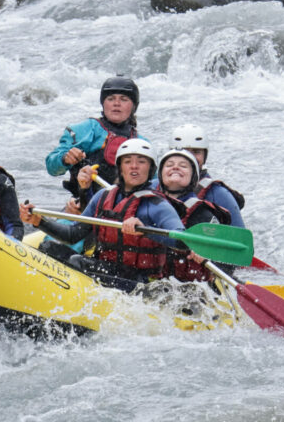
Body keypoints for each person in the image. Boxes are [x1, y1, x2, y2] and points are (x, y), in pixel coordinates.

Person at [21, 139, 188, 290]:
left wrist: (146, 231)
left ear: (151, 168)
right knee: (48, 248)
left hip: (140, 282)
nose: (134, 166)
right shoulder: (103, 196)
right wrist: (39, 222)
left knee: (77, 262)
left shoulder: (157, 205)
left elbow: (183, 241)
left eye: (141, 162)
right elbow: (73, 234)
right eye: (127, 161)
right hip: (105, 269)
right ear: (120, 167)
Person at [45, 75, 145, 206]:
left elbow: (154, 184)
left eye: (124, 99)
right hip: (83, 205)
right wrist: (65, 159)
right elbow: (51, 167)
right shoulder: (84, 130)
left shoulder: (142, 144)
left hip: (125, 208)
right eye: (110, 99)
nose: (116, 103)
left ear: (133, 106)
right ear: (103, 104)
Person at [154, 148, 231, 283]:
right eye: (169, 165)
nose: (175, 167)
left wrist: (208, 256)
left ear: (193, 177)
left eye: (183, 166)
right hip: (154, 281)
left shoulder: (202, 214)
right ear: (160, 175)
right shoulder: (147, 207)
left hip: (191, 287)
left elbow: (226, 261)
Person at [170, 123, 247, 228]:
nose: (189, 157)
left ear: (205, 156)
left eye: (196, 152)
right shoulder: (154, 187)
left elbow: (239, 236)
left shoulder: (219, 195)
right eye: (183, 151)